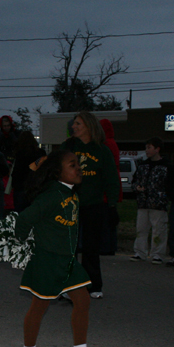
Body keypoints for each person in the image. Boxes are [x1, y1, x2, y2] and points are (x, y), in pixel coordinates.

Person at [14, 150, 110, 347]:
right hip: (47, 259)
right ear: (58, 171)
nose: (78, 168)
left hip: (66, 261)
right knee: (39, 305)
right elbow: (25, 218)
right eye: (72, 165)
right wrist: (21, 244)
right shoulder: (50, 196)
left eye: (78, 164)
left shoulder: (71, 194)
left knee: (83, 300)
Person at [62, 111, 119, 299]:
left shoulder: (102, 151)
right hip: (69, 204)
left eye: (78, 124)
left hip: (93, 205)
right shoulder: (68, 147)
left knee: (91, 248)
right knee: (68, 247)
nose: (74, 127)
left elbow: (111, 180)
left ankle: (93, 285)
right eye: (74, 124)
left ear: (88, 126)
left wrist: (112, 206)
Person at [131, 137, 169, 264]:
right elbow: (134, 181)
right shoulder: (143, 165)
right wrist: (137, 187)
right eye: (146, 147)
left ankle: (157, 253)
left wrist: (164, 196)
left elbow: (170, 184)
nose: (147, 150)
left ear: (157, 149)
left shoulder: (166, 166)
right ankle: (140, 252)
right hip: (143, 202)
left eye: (149, 147)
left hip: (158, 203)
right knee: (141, 228)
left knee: (158, 229)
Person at [99, 118, 122, 255]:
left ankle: (105, 246)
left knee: (105, 221)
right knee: (110, 219)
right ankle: (111, 246)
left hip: (106, 188)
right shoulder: (112, 143)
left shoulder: (105, 144)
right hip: (112, 186)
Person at [10, 131, 45, 213]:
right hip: (36, 188)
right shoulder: (40, 153)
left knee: (20, 214)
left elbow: (16, 173)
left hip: (21, 188)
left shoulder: (19, 154)